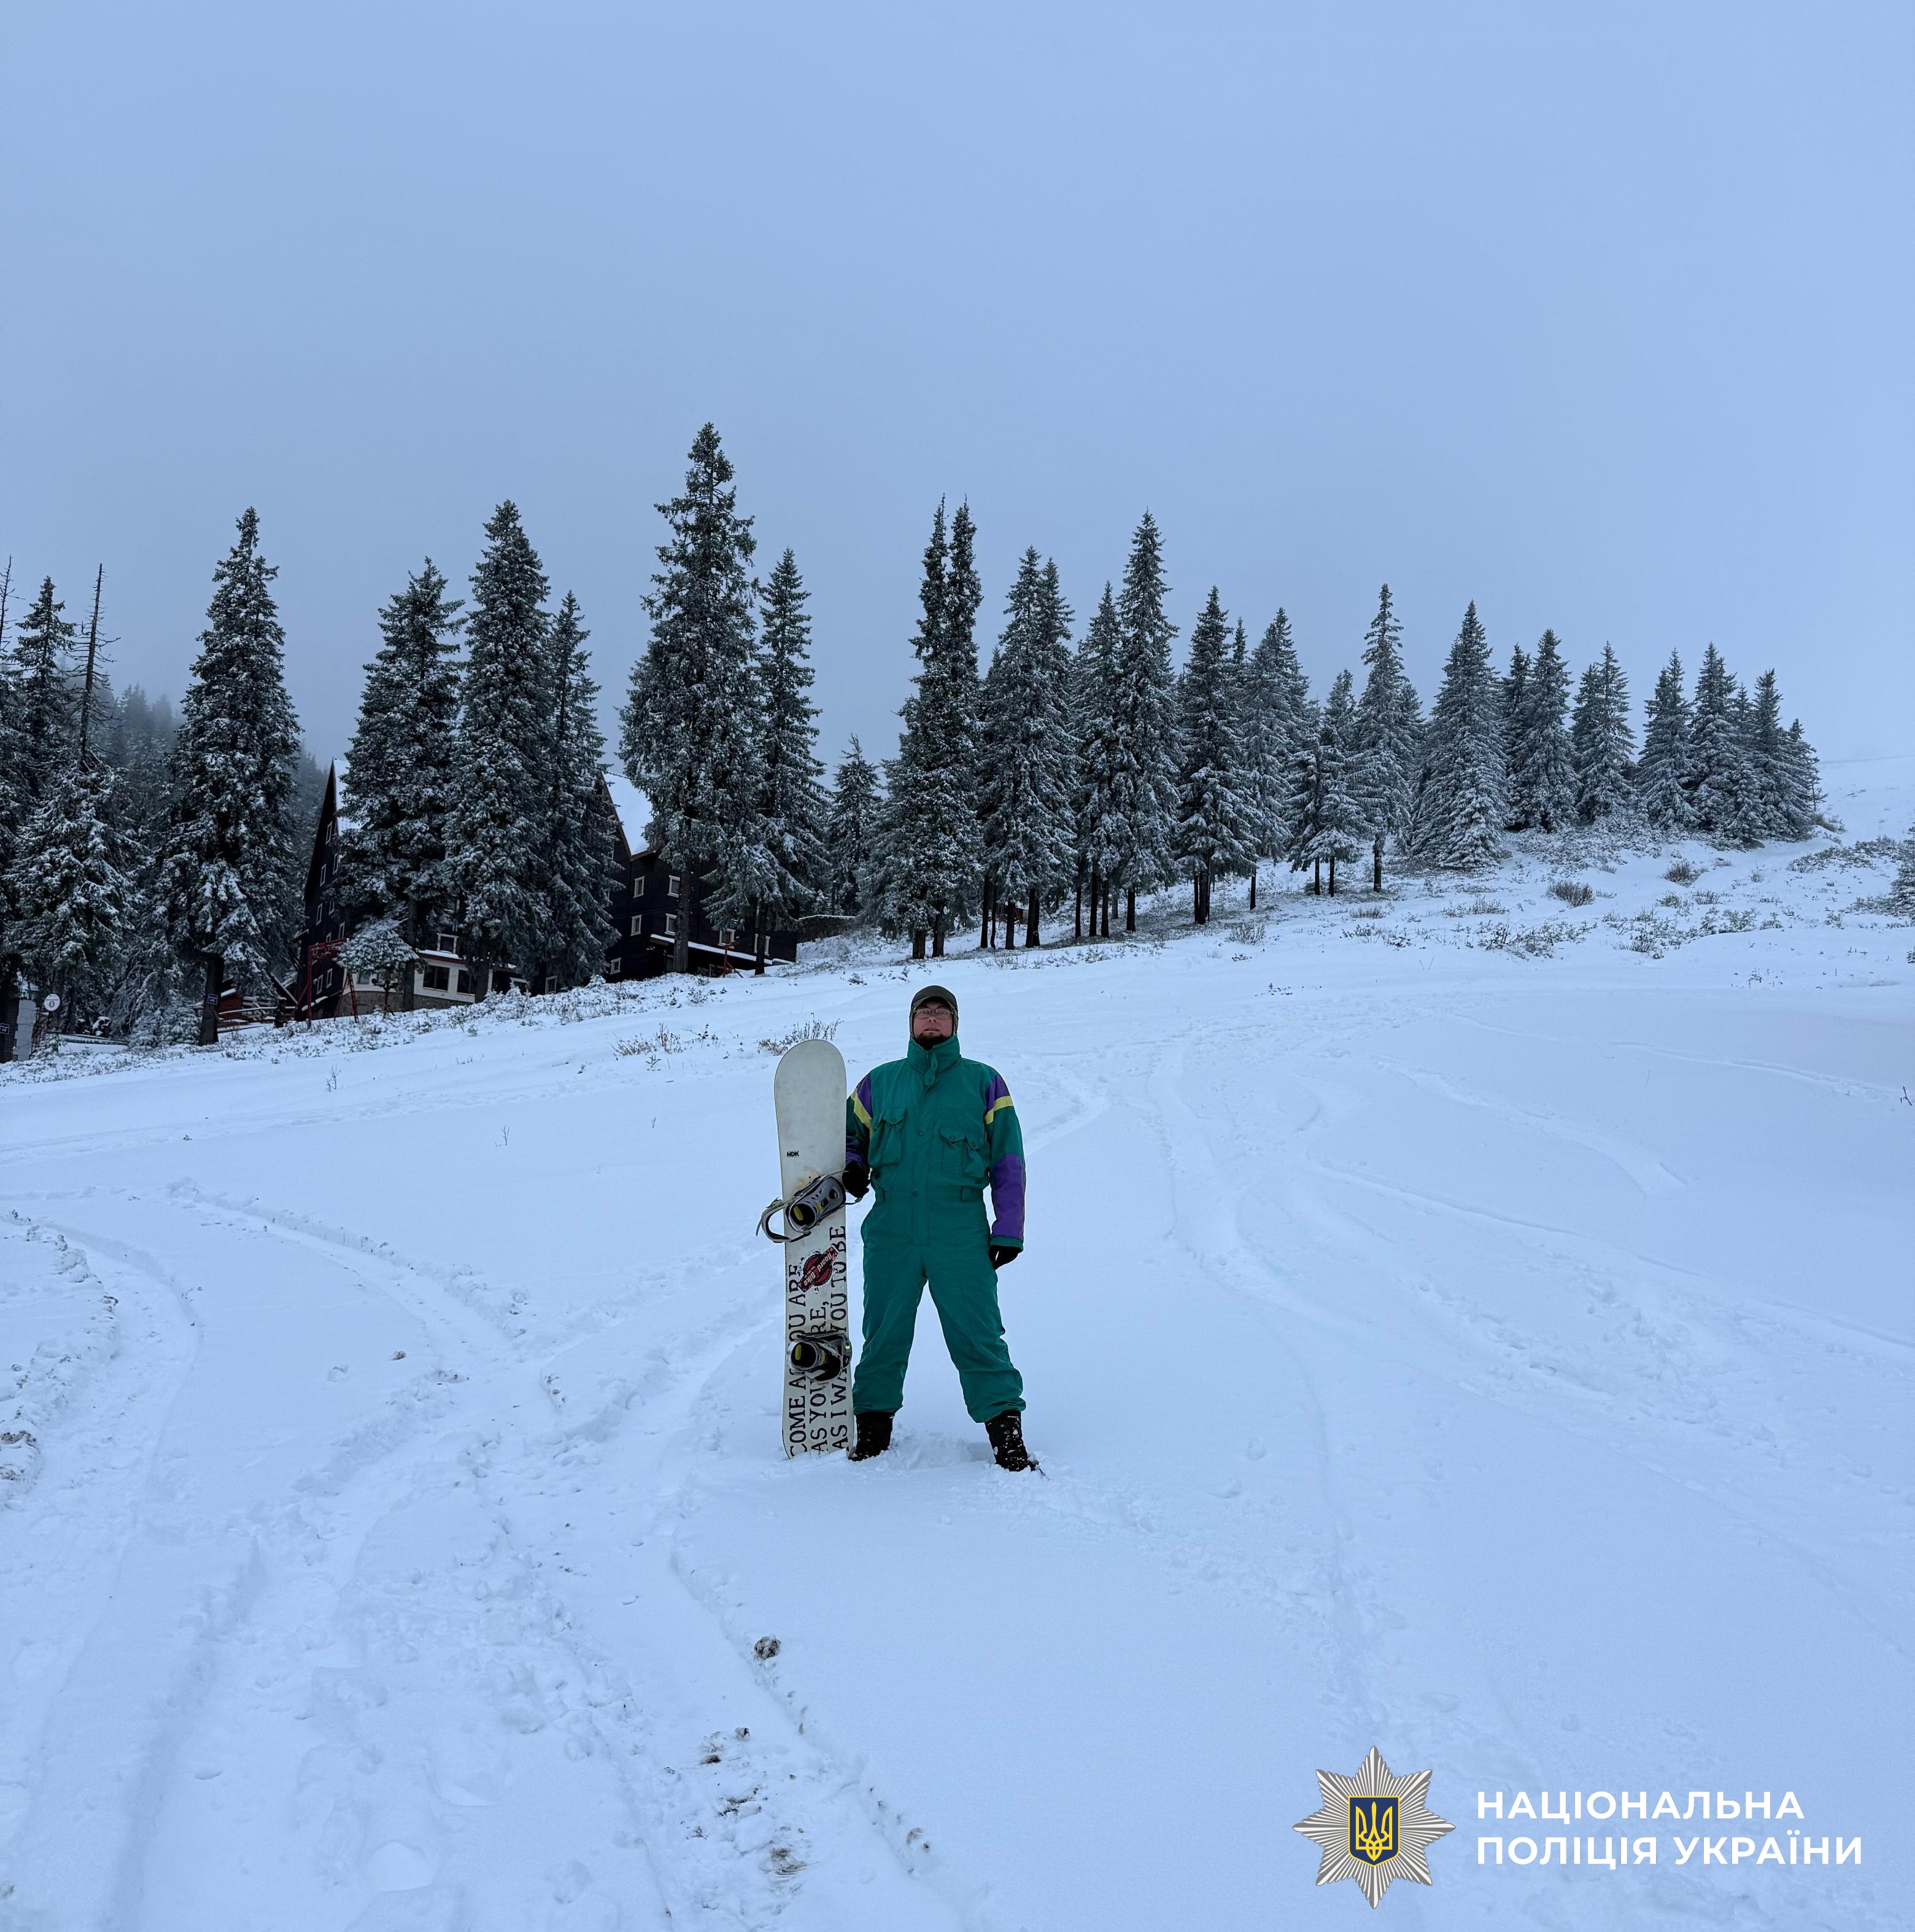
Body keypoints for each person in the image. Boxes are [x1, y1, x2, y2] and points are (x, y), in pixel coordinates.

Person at [841, 984, 1036, 1471]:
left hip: (960, 1228)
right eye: (923, 1012)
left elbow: (1008, 1159)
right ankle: (872, 1428)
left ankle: (1006, 1434)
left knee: (978, 1331)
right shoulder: (878, 1083)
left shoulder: (984, 1082)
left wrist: (1008, 1227)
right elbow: (848, 1135)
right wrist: (851, 1165)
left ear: (954, 1023)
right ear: (910, 1023)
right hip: (891, 1227)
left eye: (941, 1013)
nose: (932, 1019)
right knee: (883, 1330)